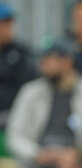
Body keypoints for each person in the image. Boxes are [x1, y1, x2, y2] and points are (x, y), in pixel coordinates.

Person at [6, 39, 82, 168]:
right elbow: (14, 137)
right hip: (34, 164)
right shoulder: (30, 92)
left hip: (77, 166)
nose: (42, 64)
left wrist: (75, 156)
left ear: (67, 61)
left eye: (48, 59)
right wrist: (36, 154)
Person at [0, 2, 36, 130]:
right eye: (3, 24)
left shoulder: (22, 53)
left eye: (10, 23)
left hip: (16, 119)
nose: (8, 28)